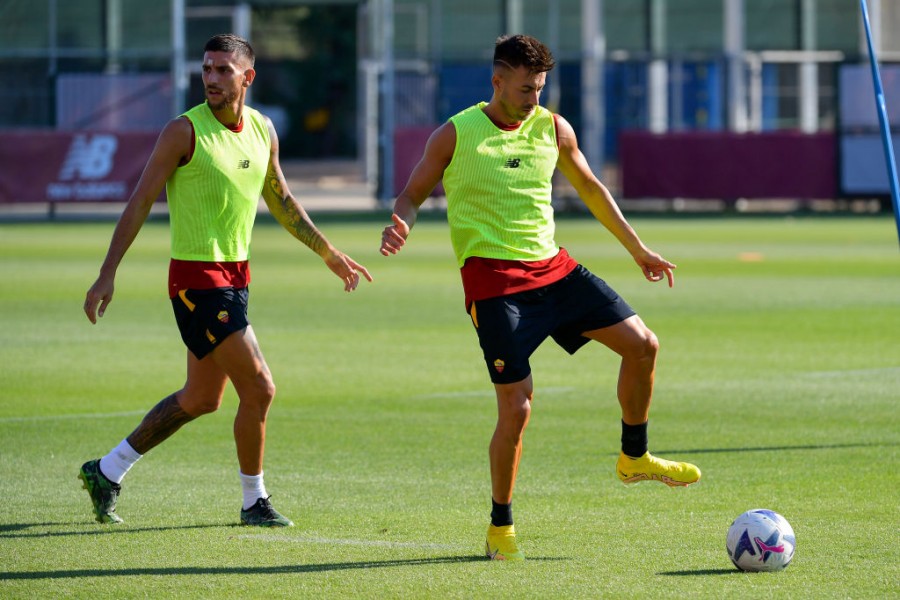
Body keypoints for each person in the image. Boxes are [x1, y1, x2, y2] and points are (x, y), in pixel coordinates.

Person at [380, 34, 700, 561]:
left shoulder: (553, 127)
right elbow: (411, 194)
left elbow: (593, 188)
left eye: (541, 88)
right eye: (526, 89)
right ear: (497, 81)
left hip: (555, 270)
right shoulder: (456, 134)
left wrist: (638, 249)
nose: (534, 99)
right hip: (494, 284)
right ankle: (500, 525)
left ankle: (634, 456)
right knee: (518, 406)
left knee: (644, 345)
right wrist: (401, 223)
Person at [80, 33, 372, 527]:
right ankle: (253, 501)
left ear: (247, 77)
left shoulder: (262, 129)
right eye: (207, 69)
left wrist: (327, 252)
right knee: (260, 387)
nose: (211, 79)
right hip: (197, 281)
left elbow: (280, 198)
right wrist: (107, 272)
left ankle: (106, 471)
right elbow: (140, 202)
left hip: (236, 278)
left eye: (222, 70)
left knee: (201, 399)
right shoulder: (183, 132)